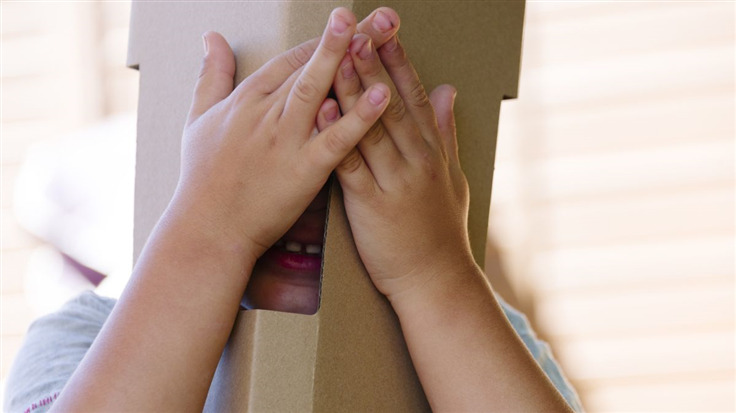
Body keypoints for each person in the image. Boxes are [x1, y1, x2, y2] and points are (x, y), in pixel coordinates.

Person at [4, 7, 583, 413]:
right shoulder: (83, 337)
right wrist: (212, 227)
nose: (308, 191)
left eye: (365, 147)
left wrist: (432, 274)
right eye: (267, 148)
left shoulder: (502, 342)